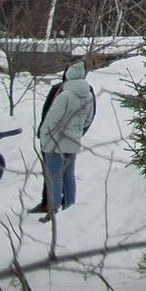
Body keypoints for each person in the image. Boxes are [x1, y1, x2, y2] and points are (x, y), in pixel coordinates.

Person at [33, 59, 96, 218]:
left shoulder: (64, 95)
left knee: (54, 176)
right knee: (69, 175)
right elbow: (88, 119)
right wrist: (77, 132)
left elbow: (51, 119)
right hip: (73, 142)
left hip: (56, 142)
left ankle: (52, 211)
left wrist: (43, 136)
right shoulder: (88, 95)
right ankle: (70, 209)